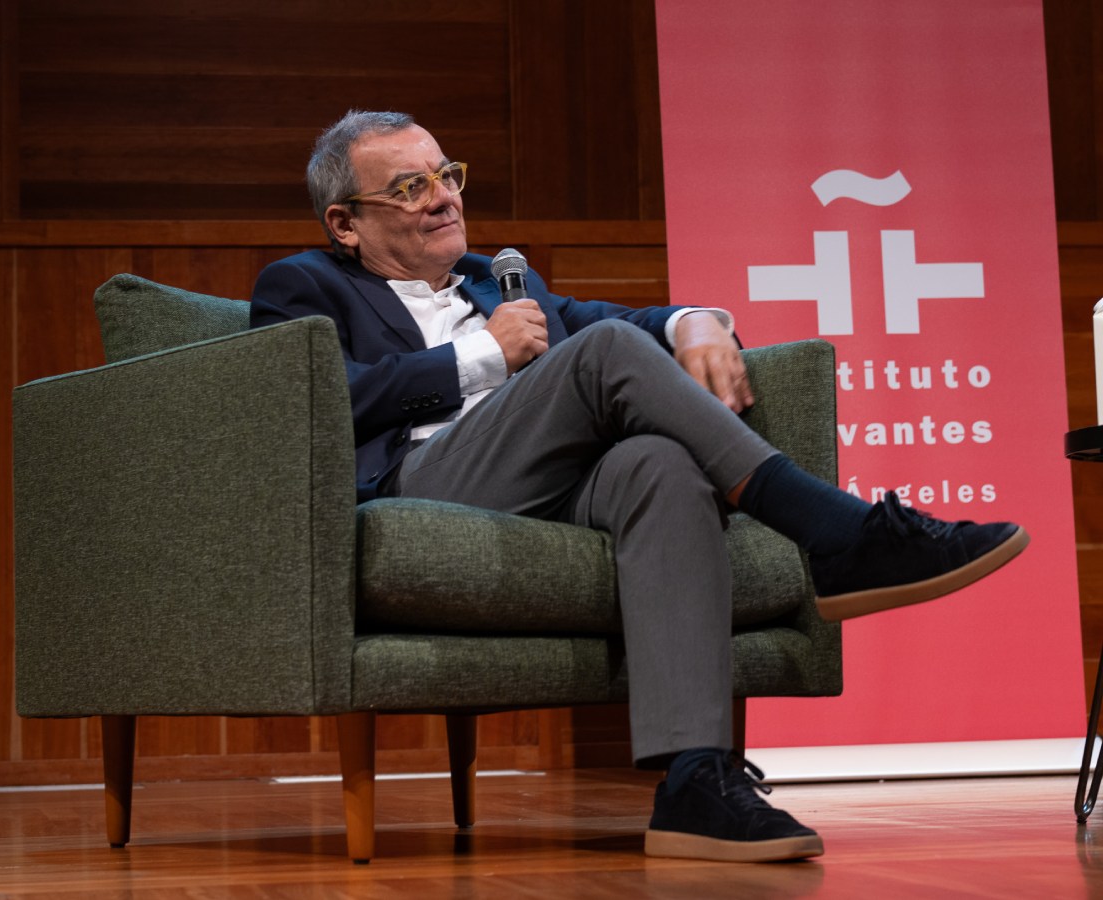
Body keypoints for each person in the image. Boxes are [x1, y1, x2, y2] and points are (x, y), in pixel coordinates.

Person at [250, 109, 1029, 863]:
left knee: (660, 462)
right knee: (608, 352)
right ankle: (835, 532)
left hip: (544, 485)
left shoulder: (497, 282)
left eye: (446, 175)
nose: (445, 197)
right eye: (411, 187)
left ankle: (696, 779)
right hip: (420, 479)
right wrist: (482, 357)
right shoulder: (302, 284)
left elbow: (622, 320)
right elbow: (307, 403)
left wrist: (695, 320)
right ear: (346, 224)